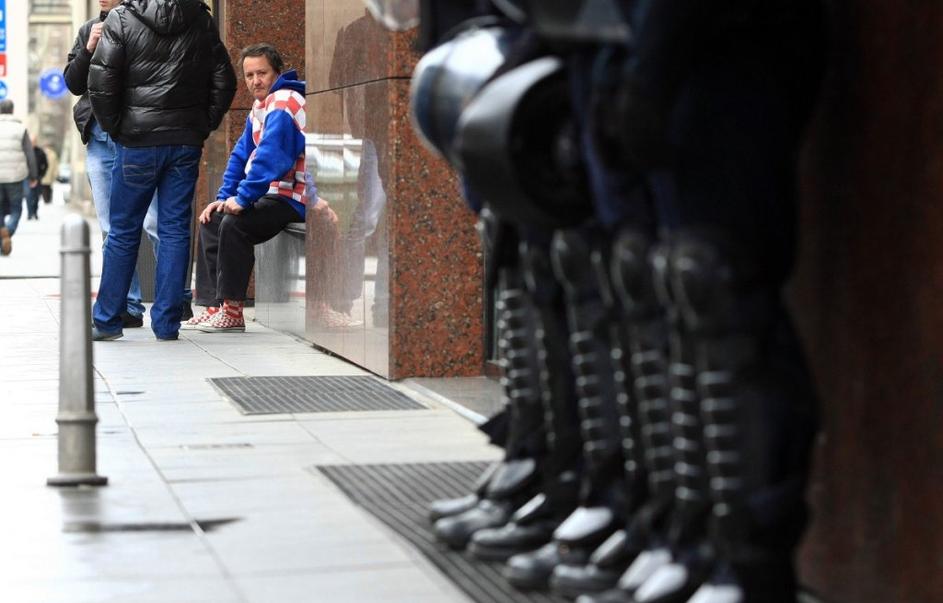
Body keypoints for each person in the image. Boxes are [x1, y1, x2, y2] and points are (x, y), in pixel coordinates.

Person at [88, 0, 236, 341]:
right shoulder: (199, 18)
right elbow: (225, 81)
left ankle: (108, 320)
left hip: (136, 141)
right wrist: (201, 126)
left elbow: (101, 82)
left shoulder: (121, 19)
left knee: (123, 232)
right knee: (174, 230)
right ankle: (167, 324)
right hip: (184, 142)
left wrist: (117, 129)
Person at [184, 43, 310, 333]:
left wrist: (242, 199)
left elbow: (271, 156)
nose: (255, 81)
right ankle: (214, 307)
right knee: (212, 219)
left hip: (296, 196)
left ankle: (232, 312)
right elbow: (241, 155)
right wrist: (224, 198)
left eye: (262, 73)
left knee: (235, 225)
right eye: (249, 75)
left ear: (277, 72)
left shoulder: (284, 102)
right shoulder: (260, 107)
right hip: (273, 193)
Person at [66, 0, 168, 328]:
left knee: (155, 222)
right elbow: (73, 83)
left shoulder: (147, 24)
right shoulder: (88, 30)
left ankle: (174, 301)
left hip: (137, 137)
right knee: (111, 228)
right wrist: (89, 48)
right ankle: (128, 305)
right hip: (100, 141)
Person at [0, 99, 38, 256]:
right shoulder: (20, 129)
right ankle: (8, 232)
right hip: (15, 176)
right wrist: (33, 176)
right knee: (16, 209)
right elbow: (30, 154)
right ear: (12, 110)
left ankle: (2, 239)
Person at [26, 137, 48, 220]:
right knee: (28, 195)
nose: (32, 143)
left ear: (36, 142)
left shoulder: (40, 152)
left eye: (34, 141)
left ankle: (35, 213)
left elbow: (46, 164)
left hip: (38, 177)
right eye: (31, 141)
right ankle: (29, 213)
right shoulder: (26, 151)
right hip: (27, 177)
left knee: (36, 196)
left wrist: (42, 175)